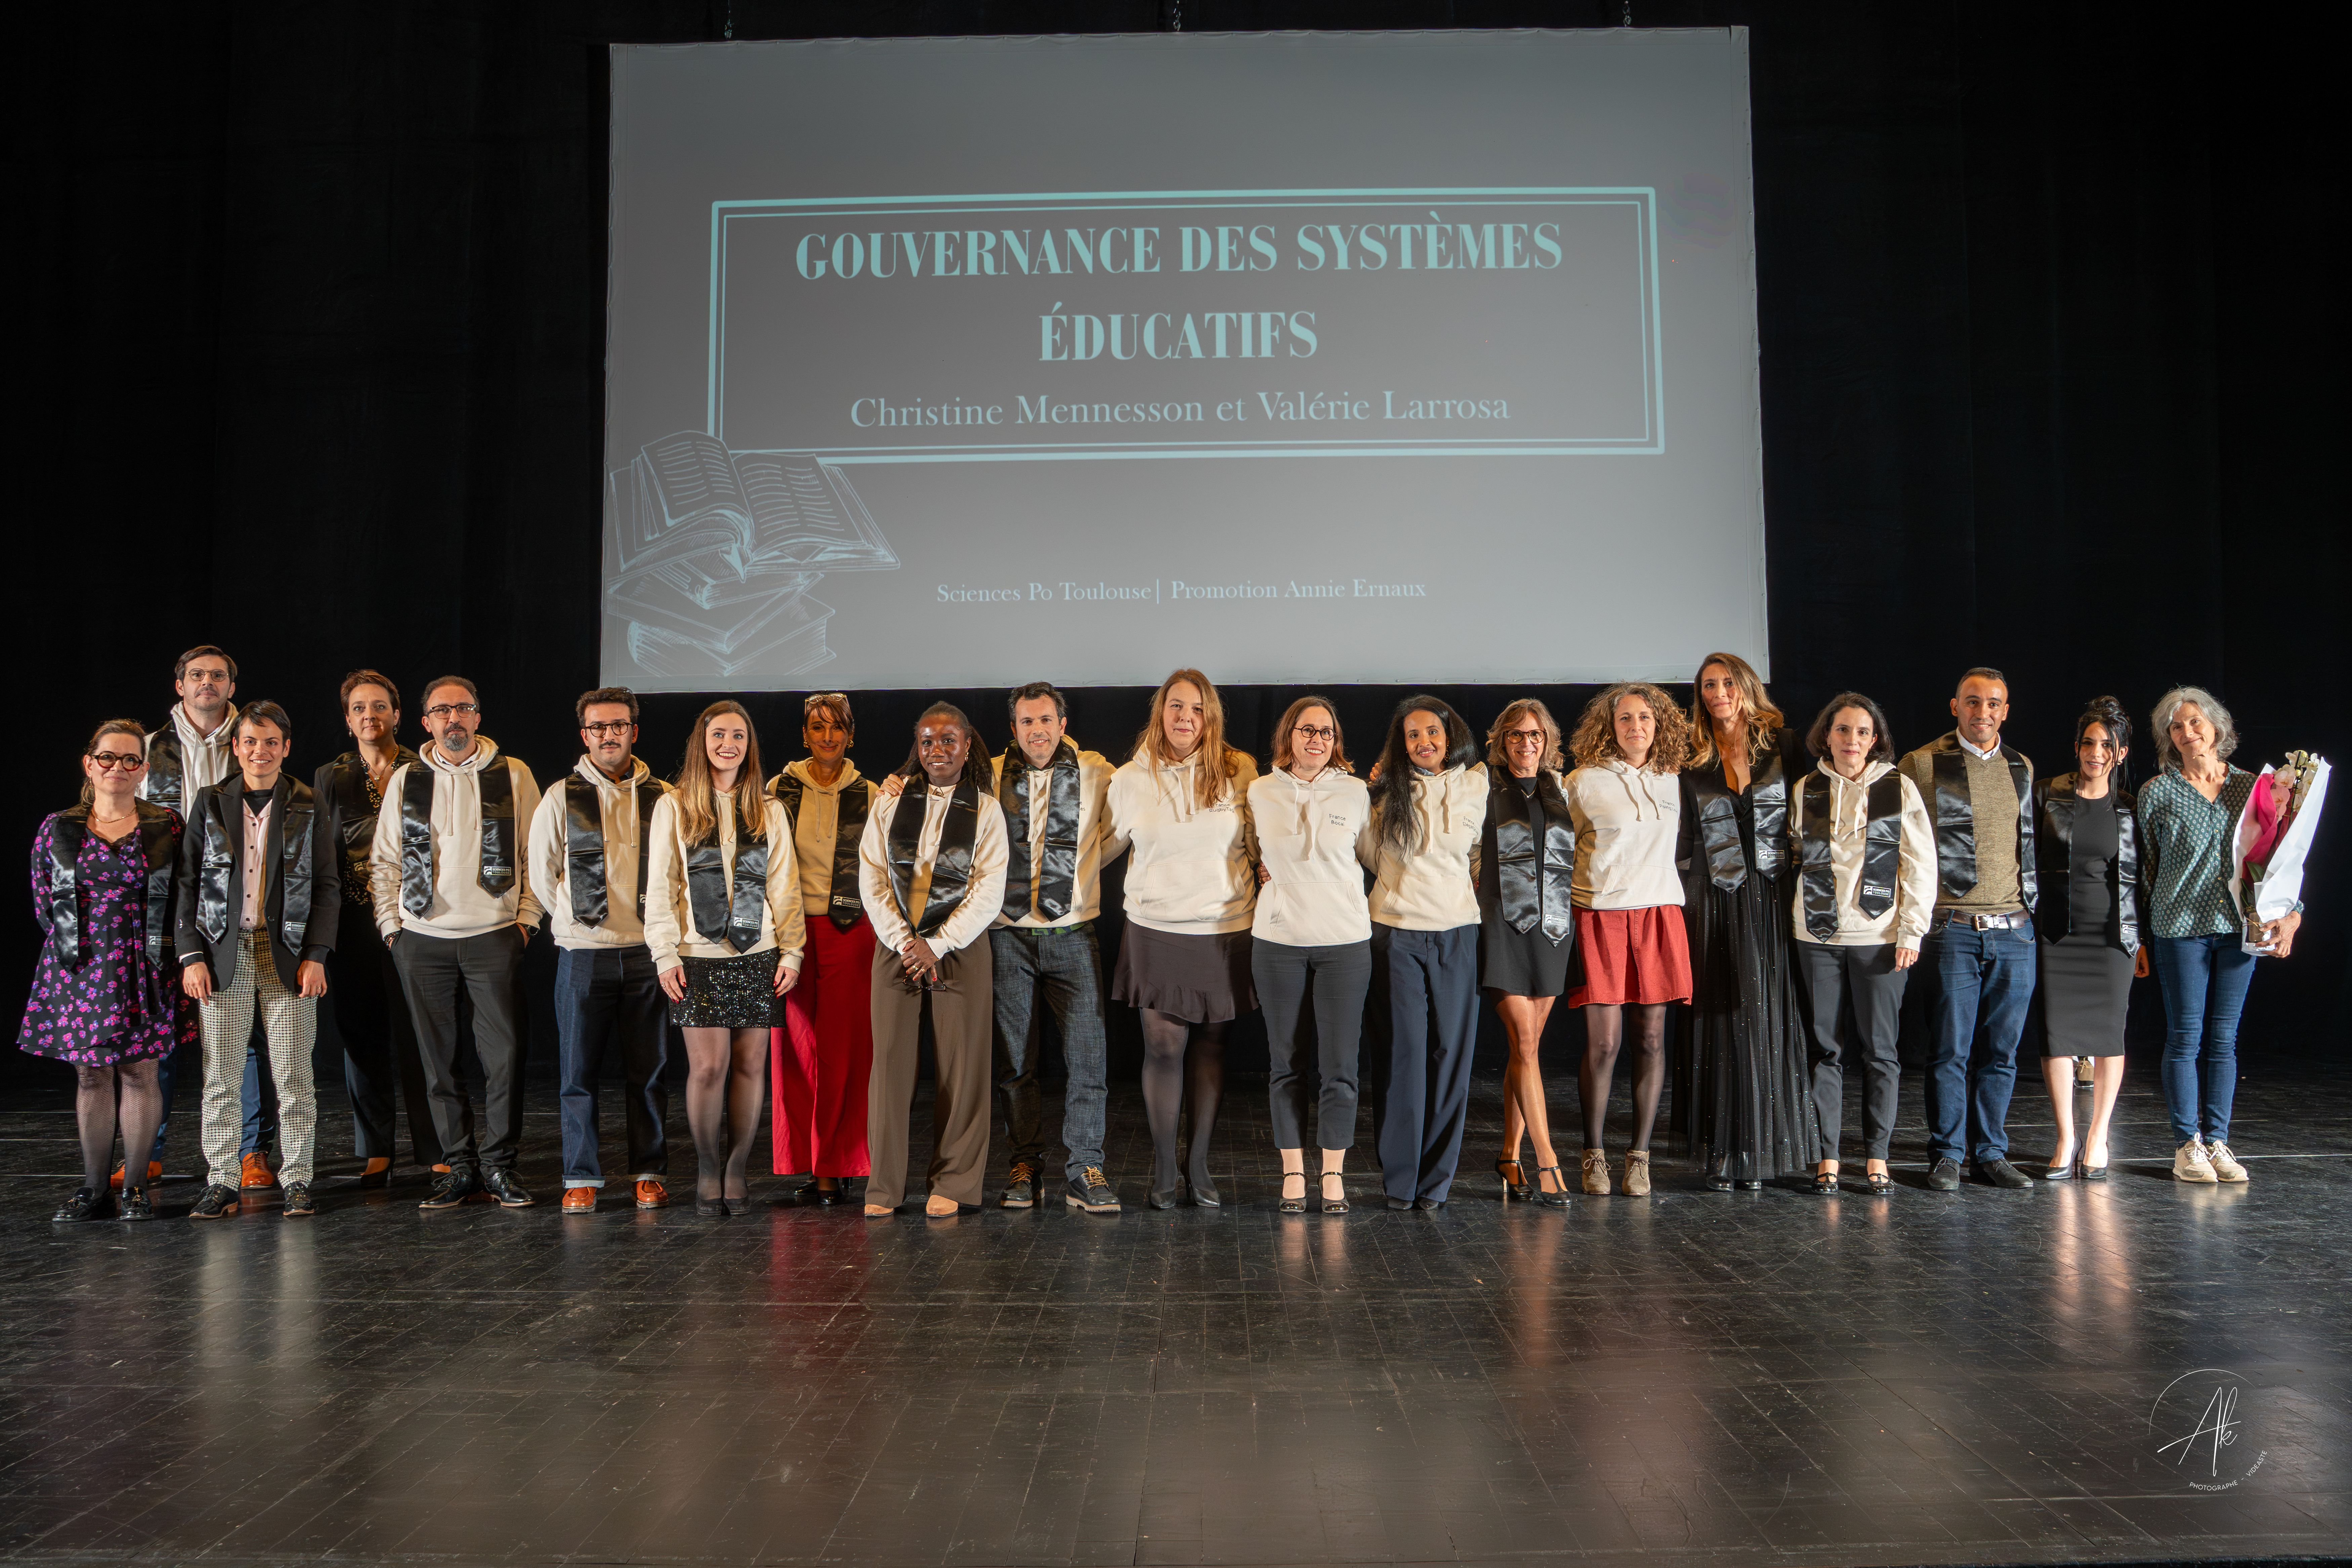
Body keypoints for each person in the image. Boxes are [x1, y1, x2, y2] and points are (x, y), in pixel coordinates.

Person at [369, 675, 544, 1210]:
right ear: (426, 722)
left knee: (503, 1058)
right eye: (442, 711)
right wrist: (392, 927)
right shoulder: (407, 778)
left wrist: (526, 922)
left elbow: (537, 855)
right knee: (438, 1062)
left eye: (463, 708)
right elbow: (386, 860)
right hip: (422, 939)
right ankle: (458, 1166)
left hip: (494, 935)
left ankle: (499, 1166)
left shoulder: (513, 773)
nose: (454, 719)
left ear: (478, 717)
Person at [175, 702, 340, 1220]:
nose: (260, 751)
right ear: (236, 747)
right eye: (250, 741)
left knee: (292, 1075)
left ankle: (297, 1178)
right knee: (221, 1076)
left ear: (286, 748)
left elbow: (327, 885)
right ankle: (222, 1180)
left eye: (271, 742)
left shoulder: (308, 801)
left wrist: (317, 955)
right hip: (223, 952)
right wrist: (191, 956)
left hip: (287, 953)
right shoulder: (210, 801)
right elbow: (188, 882)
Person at [23, 722, 192, 1222]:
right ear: (89, 764)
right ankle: (94, 1189)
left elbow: (186, 896)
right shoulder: (58, 827)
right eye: (108, 758)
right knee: (91, 1074)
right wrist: (85, 948)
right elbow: (44, 902)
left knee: (141, 1072)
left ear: (143, 770)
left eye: (130, 760)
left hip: (146, 965)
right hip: (80, 967)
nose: (118, 767)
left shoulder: (167, 825)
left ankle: (135, 1187)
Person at [1105, 669, 1259, 1209]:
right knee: (1164, 1047)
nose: (1185, 718)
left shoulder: (1240, 770)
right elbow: (1101, 845)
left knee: (1213, 1048)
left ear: (1210, 716)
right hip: (1155, 929)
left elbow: (1261, 842)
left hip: (1224, 928)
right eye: (1176, 706)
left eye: (1196, 709)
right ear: (1161, 712)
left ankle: (1199, 1166)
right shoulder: (1129, 778)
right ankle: (1165, 1168)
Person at [645, 701, 802, 1216]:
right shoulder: (674, 806)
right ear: (703, 742)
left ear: (749, 745)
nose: (728, 744)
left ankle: (737, 1169)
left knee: (752, 1066)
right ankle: (708, 1168)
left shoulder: (768, 808)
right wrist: (664, 953)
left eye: (738, 735)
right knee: (710, 1067)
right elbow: (662, 886)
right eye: (719, 735)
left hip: (760, 952)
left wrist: (793, 952)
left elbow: (785, 887)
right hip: (697, 954)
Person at [2139, 685, 2298, 1184]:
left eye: (2195, 722)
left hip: (2238, 930)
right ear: (2169, 737)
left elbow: (2281, 858)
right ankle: (2187, 1145)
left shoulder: (2255, 788)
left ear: (2216, 727)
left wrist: (2292, 914)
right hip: (2179, 929)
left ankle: (2218, 1142)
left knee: (2224, 1040)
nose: (2188, 732)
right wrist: (2140, 933)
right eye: (2176, 726)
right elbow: (2147, 869)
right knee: (2186, 1038)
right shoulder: (2157, 792)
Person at [528, 686, 674, 1213]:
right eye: (598, 727)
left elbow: (679, 873)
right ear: (584, 735)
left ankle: (649, 1172)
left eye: (618, 725)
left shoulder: (666, 797)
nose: (608, 735)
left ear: (634, 731)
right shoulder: (559, 797)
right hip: (583, 953)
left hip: (648, 953)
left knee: (649, 1072)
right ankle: (580, 1175)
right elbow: (541, 874)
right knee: (577, 1073)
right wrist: (575, 919)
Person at [859, 704, 1008, 1218]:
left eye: (948, 741)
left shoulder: (986, 810)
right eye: (927, 741)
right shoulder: (890, 802)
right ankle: (884, 1187)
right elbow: (872, 875)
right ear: (916, 747)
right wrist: (905, 941)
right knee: (890, 1066)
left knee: (963, 1068)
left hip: (960, 946)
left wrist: (938, 944)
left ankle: (955, 1182)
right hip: (896, 945)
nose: (937, 750)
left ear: (967, 745)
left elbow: (989, 889)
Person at [135, 644, 272, 1192]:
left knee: (244, 1033)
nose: (207, 683)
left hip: (234, 902)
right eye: (197, 675)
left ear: (232, 687)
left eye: (218, 676)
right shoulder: (149, 749)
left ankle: (251, 1151)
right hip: (163, 901)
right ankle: (147, 1151)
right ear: (180, 685)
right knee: (159, 1031)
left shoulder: (254, 743)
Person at [1676, 652, 1814, 1191]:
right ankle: (1721, 1148)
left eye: (1728, 683)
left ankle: (1763, 1146)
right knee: (1719, 1017)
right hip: (1710, 897)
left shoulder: (1785, 746)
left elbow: (1809, 817)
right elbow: (1683, 835)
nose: (1719, 693)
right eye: (1709, 685)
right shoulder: (1689, 754)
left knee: (1765, 1015)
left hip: (1772, 896)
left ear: (1747, 687)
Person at [1898, 668, 2039, 1191]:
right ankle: (1947, 1154)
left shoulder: (2020, 766)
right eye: (1973, 702)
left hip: (2015, 931)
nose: (1984, 712)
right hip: (1953, 927)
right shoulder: (1921, 764)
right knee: (1950, 1051)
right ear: (1955, 706)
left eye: (1994, 703)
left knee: (2001, 1053)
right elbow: (1900, 846)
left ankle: (1991, 1153)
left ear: (2006, 711)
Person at [981, 683, 1121, 1213]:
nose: (1037, 730)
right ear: (1013, 729)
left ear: (1063, 724)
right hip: (1008, 935)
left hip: (1072, 933)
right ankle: (1025, 1166)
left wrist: (1081, 870)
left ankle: (1086, 1168)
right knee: (1016, 1062)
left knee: (1088, 1059)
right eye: (1026, 722)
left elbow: (1120, 831)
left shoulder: (1098, 771)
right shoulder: (989, 773)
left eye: (1046, 720)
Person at [1788, 694, 1934, 1195]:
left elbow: (1920, 865)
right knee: (1825, 1049)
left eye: (1863, 732)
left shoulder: (1899, 787)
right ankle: (1827, 1157)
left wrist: (1911, 931)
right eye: (1843, 730)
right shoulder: (1805, 789)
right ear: (1827, 736)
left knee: (1880, 1051)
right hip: (1818, 936)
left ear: (1876, 740)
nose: (1852, 740)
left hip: (1880, 938)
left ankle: (1877, 1157)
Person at [1564, 682, 1692, 1196]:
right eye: (1625, 719)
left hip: (1659, 914)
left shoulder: (1675, 779)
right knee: (1604, 1043)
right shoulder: (1583, 781)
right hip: (1600, 916)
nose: (1635, 727)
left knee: (1652, 1038)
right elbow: (1562, 847)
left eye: (1645, 718)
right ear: (1609, 726)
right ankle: (1593, 1154)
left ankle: (1639, 1157)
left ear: (1659, 725)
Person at [1361, 696, 1488, 1211]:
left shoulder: (1477, 784)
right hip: (1396, 932)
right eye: (1412, 735)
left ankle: (1436, 1183)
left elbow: (1478, 854)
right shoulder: (1384, 793)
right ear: (1402, 743)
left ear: (1449, 734)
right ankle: (1400, 1180)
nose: (1423, 742)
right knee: (1403, 1056)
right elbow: (1368, 854)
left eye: (1432, 731)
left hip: (1458, 932)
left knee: (1451, 1056)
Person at [1249, 697, 1372, 1215]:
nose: (1316, 739)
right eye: (1307, 730)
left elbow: (1374, 856)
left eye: (1326, 732)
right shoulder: (1260, 791)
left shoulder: (1357, 792)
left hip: (1345, 942)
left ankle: (1333, 1172)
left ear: (1335, 740)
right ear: (1289, 735)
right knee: (1286, 1064)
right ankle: (1294, 1172)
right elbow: (1244, 850)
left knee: (1340, 1066)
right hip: (1277, 942)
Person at [315, 670, 437, 1185]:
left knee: (423, 1037)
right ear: (348, 720)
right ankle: (376, 1149)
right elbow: (321, 855)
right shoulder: (330, 776)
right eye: (360, 708)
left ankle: (436, 1145)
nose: (371, 716)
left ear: (398, 714)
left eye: (380, 706)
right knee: (361, 1037)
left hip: (418, 921)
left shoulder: (426, 766)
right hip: (352, 925)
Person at [2029, 697, 2145, 1181]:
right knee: (2056, 1034)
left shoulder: (2130, 806)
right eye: (2089, 743)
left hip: (2112, 937)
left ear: (2121, 753)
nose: (2096, 753)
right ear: (2077, 747)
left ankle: (2098, 1137)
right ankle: (2065, 1137)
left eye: (2107, 746)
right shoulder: (2046, 795)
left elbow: (2143, 879)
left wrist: (2141, 940)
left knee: (2109, 1036)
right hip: (2058, 933)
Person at [768, 693, 878, 1206]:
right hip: (790, 933)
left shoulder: (871, 794)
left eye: (837, 728)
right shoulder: (777, 791)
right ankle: (810, 1162)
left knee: (846, 1050)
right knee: (794, 1049)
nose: (828, 736)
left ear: (851, 736)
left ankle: (838, 1165)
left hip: (850, 931)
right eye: (818, 727)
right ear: (805, 734)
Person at [1481, 699, 1578, 1209]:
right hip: (1501, 923)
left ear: (1547, 741)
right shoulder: (1482, 784)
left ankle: (1509, 1155)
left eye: (1535, 735)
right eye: (1516, 735)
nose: (1526, 743)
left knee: (1528, 1051)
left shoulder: (1559, 788)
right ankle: (1547, 1161)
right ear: (1502, 740)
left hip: (1551, 928)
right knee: (1524, 1043)